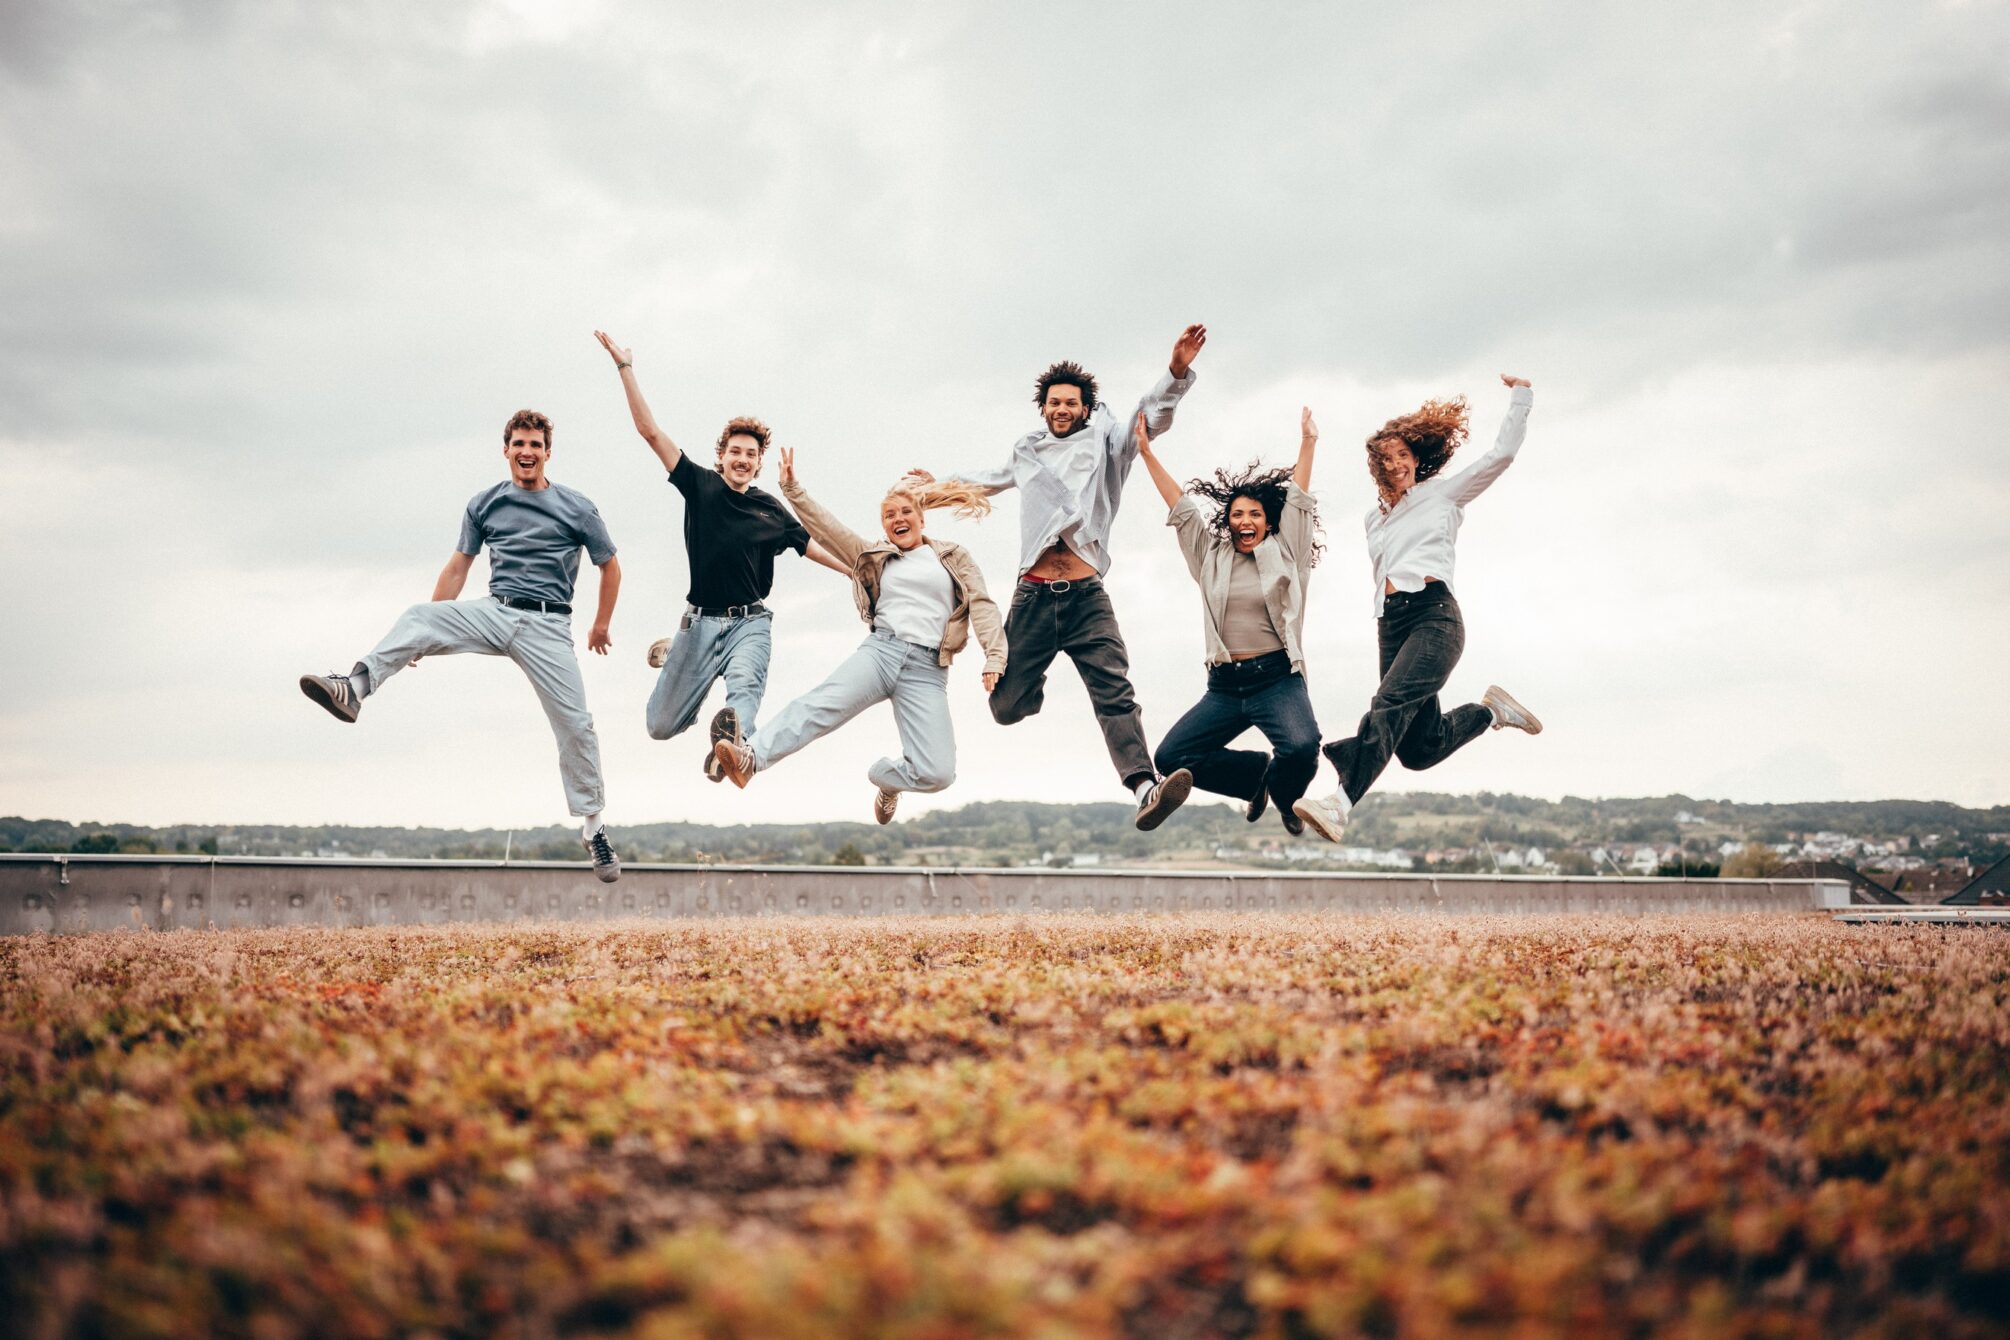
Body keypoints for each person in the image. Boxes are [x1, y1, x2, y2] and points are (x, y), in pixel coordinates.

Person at [900, 324, 1208, 831]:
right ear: (1043, 408)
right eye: (1054, 403)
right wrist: (933, 489)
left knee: (1115, 693)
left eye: (1072, 403)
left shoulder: (1110, 443)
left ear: (1086, 408)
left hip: (1087, 596)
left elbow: (1150, 416)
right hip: (1034, 599)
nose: (1063, 409)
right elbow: (987, 480)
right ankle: (1037, 677)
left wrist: (1175, 370)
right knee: (1005, 705)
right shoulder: (1028, 451)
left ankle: (1144, 786)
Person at [298, 409, 624, 881]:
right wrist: (424, 637)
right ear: (506, 449)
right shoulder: (484, 504)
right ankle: (355, 687)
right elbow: (457, 568)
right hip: (497, 610)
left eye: (536, 445)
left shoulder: (578, 508)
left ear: (548, 453)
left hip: (549, 626)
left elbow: (609, 566)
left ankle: (593, 829)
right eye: (519, 444)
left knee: (577, 725)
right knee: (417, 615)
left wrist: (600, 624)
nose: (527, 452)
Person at [1293, 376, 1543, 842]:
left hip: (1435, 619)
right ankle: (1491, 713)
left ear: (1415, 458)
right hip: (1391, 624)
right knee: (1419, 749)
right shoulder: (1372, 519)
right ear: (1377, 468)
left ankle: (1340, 803)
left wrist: (1521, 396)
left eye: (1403, 456)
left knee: (1387, 705)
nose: (1396, 465)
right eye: (1387, 460)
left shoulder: (1441, 494)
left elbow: (1500, 456)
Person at [593, 331, 850, 784]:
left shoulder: (770, 507)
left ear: (759, 461)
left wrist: (854, 572)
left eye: (751, 455)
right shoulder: (700, 485)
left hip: (749, 622)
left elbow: (806, 543)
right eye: (735, 452)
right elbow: (650, 432)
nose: (743, 460)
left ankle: (729, 752)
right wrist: (625, 368)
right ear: (722, 456)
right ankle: (681, 659)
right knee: (659, 726)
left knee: (744, 690)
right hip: (700, 623)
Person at [712, 447, 1008, 825]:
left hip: (928, 669)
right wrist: (793, 490)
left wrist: (994, 656)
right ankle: (750, 758)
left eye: (904, 513)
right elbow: (829, 530)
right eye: (889, 515)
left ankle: (888, 781)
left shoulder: (952, 557)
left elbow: (982, 604)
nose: (897, 519)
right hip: (881, 652)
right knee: (819, 706)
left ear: (921, 518)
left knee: (939, 773)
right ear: (884, 525)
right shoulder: (873, 556)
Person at [1139, 406, 1326, 835]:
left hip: (1277, 679)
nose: (1245, 521)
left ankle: (1284, 798)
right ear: (1228, 520)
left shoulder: (1288, 551)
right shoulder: (1210, 557)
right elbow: (1182, 509)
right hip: (1224, 686)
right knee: (1170, 759)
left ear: (1267, 522)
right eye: (1238, 515)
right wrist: (1147, 453)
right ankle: (1253, 777)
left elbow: (1299, 498)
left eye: (1255, 515)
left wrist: (1308, 442)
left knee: (1301, 747)